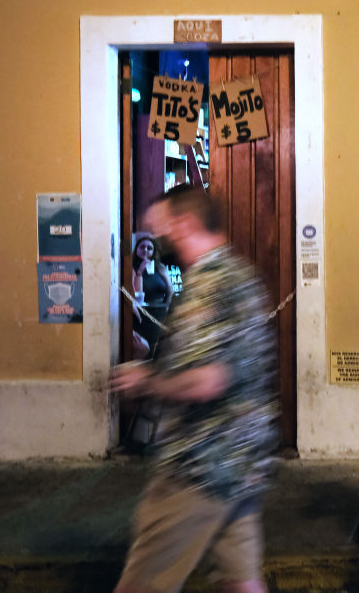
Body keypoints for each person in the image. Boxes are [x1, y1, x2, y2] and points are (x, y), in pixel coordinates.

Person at [111, 184, 278, 593]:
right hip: (242, 465)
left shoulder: (208, 285)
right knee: (240, 584)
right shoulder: (241, 275)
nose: (154, 240)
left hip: (197, 468)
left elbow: (209, 378)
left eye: (160, 228)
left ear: (183, 224)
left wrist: (147, 380)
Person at [131, 232, 174, 357]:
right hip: (142, 313)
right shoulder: (132, 268)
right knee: (145, 349)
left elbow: (169, 289)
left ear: (153, 251)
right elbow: (137, 294)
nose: (146, 250)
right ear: (136, 249)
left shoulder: (160, 268)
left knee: (159, 348)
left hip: (160, 311)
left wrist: (167, 306)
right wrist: (140, 272)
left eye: (149, 248)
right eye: (142, 247)